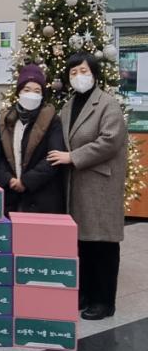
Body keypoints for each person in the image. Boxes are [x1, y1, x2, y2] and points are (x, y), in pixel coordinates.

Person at [47, 52, 128, 321]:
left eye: (83, 71)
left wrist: (73, 157)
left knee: (102, 243)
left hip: (99, 184)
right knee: (83, 243)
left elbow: (110, 141)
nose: (78, 77)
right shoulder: (69, 105)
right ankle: (85, 294)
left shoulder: (107, 104)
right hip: (77, 184)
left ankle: (104, 301)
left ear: (94, 73)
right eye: (73, 73)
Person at [0, 64, 65, 214]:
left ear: (42, 95)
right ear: (19, 92)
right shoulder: (7, 120)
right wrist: (8, 179)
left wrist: (26, 181)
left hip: (42, 196)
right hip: (11, 196)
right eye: (26, 90)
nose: (31, 94)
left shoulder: (52, 120)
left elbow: (53, 157)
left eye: (37, 91)